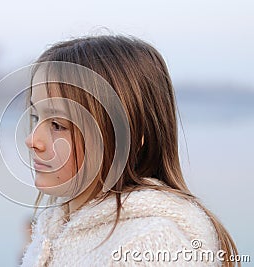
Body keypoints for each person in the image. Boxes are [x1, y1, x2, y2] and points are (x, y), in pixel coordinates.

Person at [20, 35, 239, 266]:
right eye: (36, 117)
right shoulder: (56, 226)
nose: (32, 140)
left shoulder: (149, 248)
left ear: (130, 135)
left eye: (58, 125)